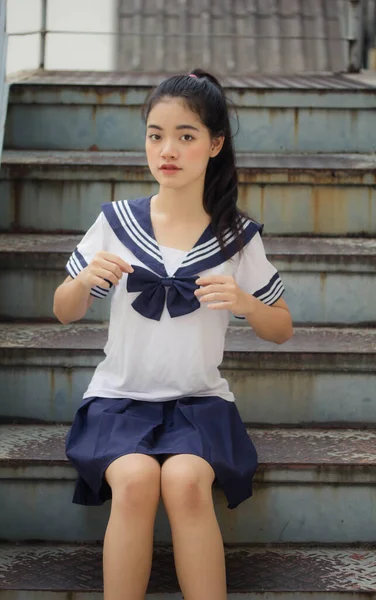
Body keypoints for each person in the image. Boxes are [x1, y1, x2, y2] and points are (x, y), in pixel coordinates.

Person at [53, 68, 293, 600]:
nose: (168, 149)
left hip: (198, 403)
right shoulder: (117, 222)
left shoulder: (235, 235)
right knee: (135, 482)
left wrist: (246, 302)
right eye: (156, 134)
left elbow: (281, 328)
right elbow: (64, 310)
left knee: (186, 482)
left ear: (215, 144)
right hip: (118, 400)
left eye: (186, 136)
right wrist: (84, 281)